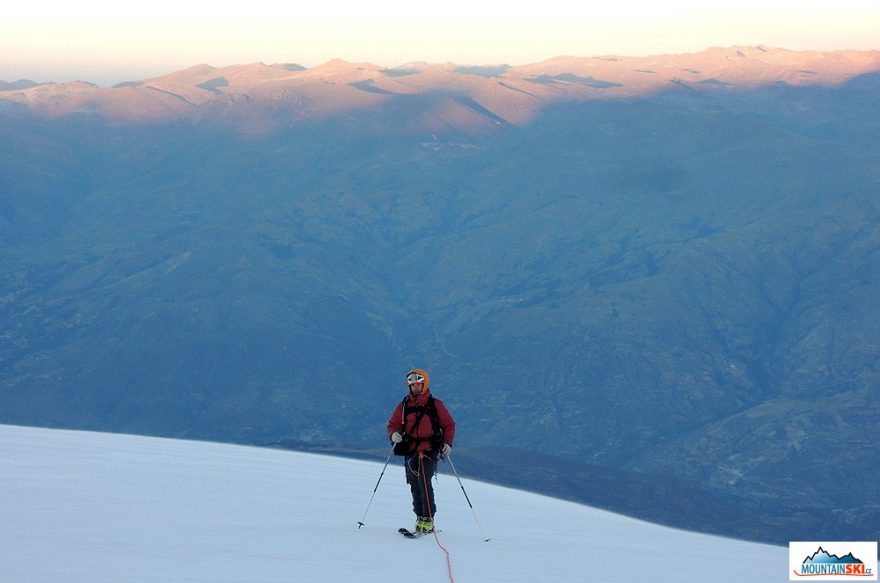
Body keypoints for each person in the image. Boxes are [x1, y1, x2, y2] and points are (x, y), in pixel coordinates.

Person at [387, 368, 456, 533]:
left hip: (429, 449)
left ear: (424, 385)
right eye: (413, 386)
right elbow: (393, 424)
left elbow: (449, 425)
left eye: (418, 385)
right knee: (414, 483)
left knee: (424, 481)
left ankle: (428, 519)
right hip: (410, 450)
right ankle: (420, 517)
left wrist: (448, 443)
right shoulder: (404, 405)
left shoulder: (435, 405)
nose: (415, 388)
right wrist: (393, 434)